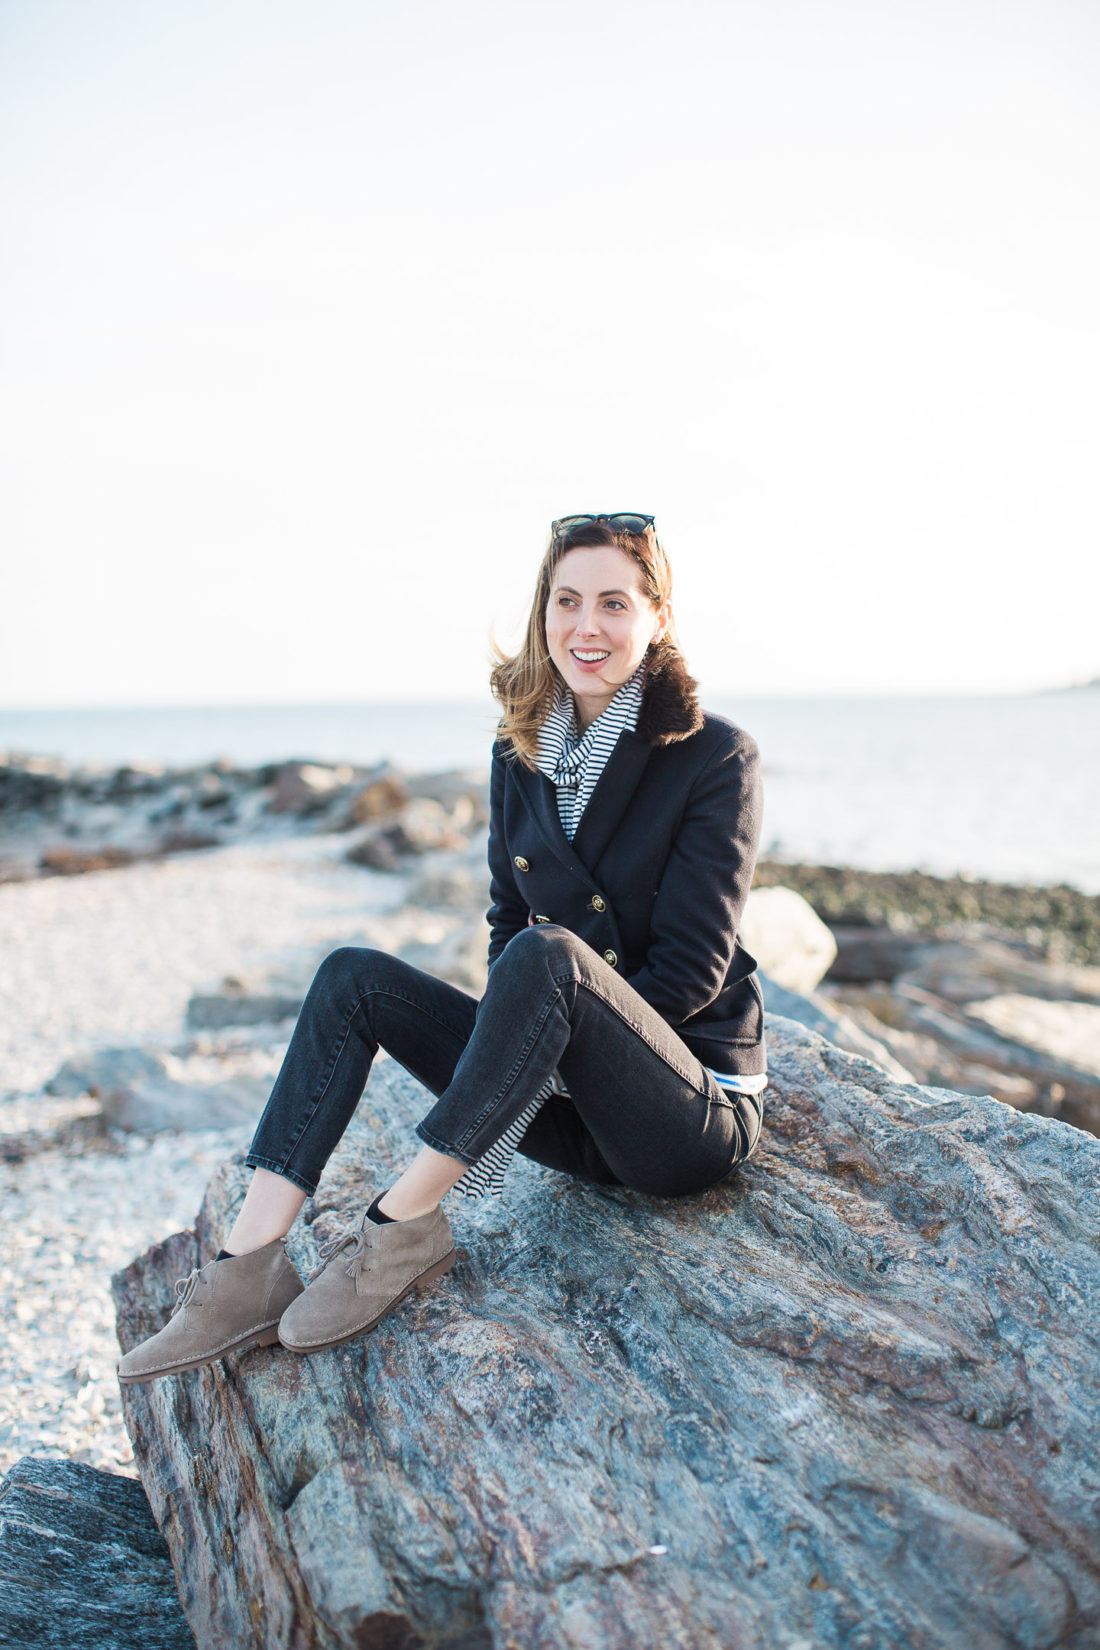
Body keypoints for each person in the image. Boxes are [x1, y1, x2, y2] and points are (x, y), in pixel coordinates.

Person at [117, 512, 766, 1385]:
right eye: (566, 601)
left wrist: (545, 1038)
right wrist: (519, 1056)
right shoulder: (520, 752)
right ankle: (244, 1273)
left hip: (681, 1114)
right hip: (571, 1117)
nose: (587, 627)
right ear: (543, 614)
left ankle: (399, 1231)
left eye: (614, 603)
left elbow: (688, 976)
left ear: (657, 617)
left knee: (549, 960)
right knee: (353, 976)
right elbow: (507, 921)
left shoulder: (713, 755)